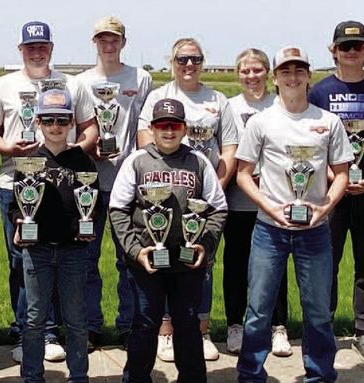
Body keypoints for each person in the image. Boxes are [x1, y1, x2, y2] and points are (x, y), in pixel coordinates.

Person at [0, 20, 99, 363]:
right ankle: (26, 331)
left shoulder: (71, 84)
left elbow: (91, 128)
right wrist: (10, 148)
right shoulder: (2, 85)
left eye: (43, 46)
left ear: (51, 48)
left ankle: (52, 333)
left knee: (64, 257)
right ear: (21, 49)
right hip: (15, 185)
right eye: (30, 46)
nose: (37, 51)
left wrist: (69, 152)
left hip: (66, 187)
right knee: (23, 261)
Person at [235, 46, 352, 383]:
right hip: (269, 230)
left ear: (308, 76)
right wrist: (269, 207)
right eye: (286, 70)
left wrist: (324, 207)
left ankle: (319, 374)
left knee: (316, 312)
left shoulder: (328, 122)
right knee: (258, 310)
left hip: (314, 231)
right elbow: (244, 174)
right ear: (275, 77)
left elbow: (342, 173)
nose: (293, 76)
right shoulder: (261, 122)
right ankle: (251, 374)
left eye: (299, 70)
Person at [111, 98, 228, 382]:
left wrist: (206, 244)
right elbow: (118, 209)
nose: (168, 130)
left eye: (174, 124)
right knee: (145, 324)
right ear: (151, 128)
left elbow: (218, 208)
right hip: (147, 261)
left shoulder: (198, 161)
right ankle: (136, 378)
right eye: (162, 125)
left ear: (184, 128)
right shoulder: (136, 161)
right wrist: (135, 250)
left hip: (187, 261)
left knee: (188, 324)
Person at [136, 37, 237, 362]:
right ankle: (165, 334)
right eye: (182, 59)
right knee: (163, 258)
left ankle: (200, 332)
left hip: (202, 198)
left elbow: (230, 148)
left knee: (200, 262)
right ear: (172, 62)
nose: (189, 65)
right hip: (159, 199)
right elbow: (144, 142)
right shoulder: (158, 96)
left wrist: (211, 190)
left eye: (195, 59)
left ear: (203, 61)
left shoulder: (218, 99)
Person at [308, 20, 364, 365]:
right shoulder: (319, 92)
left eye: (358, 46)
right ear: (333, 51)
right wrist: (337, 175)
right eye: (345, 47)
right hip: (331, 192)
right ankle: (325, 328)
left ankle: (363, 331)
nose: (351, 52)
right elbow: (311, 140)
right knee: (326, 263)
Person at [72, 16, 153, 348]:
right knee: (86, 257)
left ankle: (129, 325)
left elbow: (143, 127)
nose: (108, 44)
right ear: (94, 42)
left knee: (129, 258)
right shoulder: (79, 82)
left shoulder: (141, 78)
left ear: (123, 42)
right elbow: (76, 127)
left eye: (114, 39)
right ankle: (90, 326)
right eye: (102, 39)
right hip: (87, 180)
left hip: (127, 182)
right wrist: (89, 148)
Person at [9, 89, 99, 382]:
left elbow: (95, 204)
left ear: (72, 122)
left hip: (74, 250)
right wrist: (19, 221)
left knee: (75, 319)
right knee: (34, 319)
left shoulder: (83, 161)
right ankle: (32, 376)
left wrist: (89, 226)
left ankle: (79, 376)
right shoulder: (29, 160)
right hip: (37, 250)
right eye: (48, 120)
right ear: (37, 122)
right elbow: (14, 205)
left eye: (62, 120)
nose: (55, 126)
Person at [222, 48, 291, 358]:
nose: (251, 76)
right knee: (236, 264)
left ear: (269, 73)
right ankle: (236, 325)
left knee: (275, 265)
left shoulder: (281, 106)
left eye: (257, 70)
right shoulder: (229, 107)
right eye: (245, 71)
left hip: (274, 201)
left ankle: (278, 327)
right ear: (238, 74)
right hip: (237, 200)